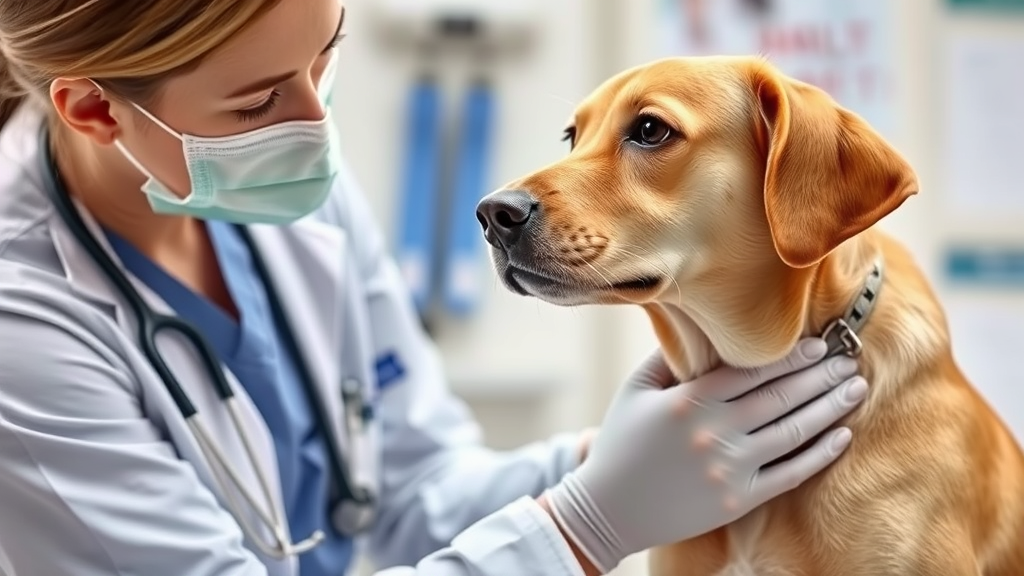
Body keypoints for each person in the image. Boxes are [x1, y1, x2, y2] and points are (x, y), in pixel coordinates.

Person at [0, 1, 869, 575]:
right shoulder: (22, 322)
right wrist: (589, 522)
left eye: (325, 55)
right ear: (94, 110)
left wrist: (611, 459)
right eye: (258, 103)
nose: (315, 128)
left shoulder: (287, 187)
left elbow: (416, 490)